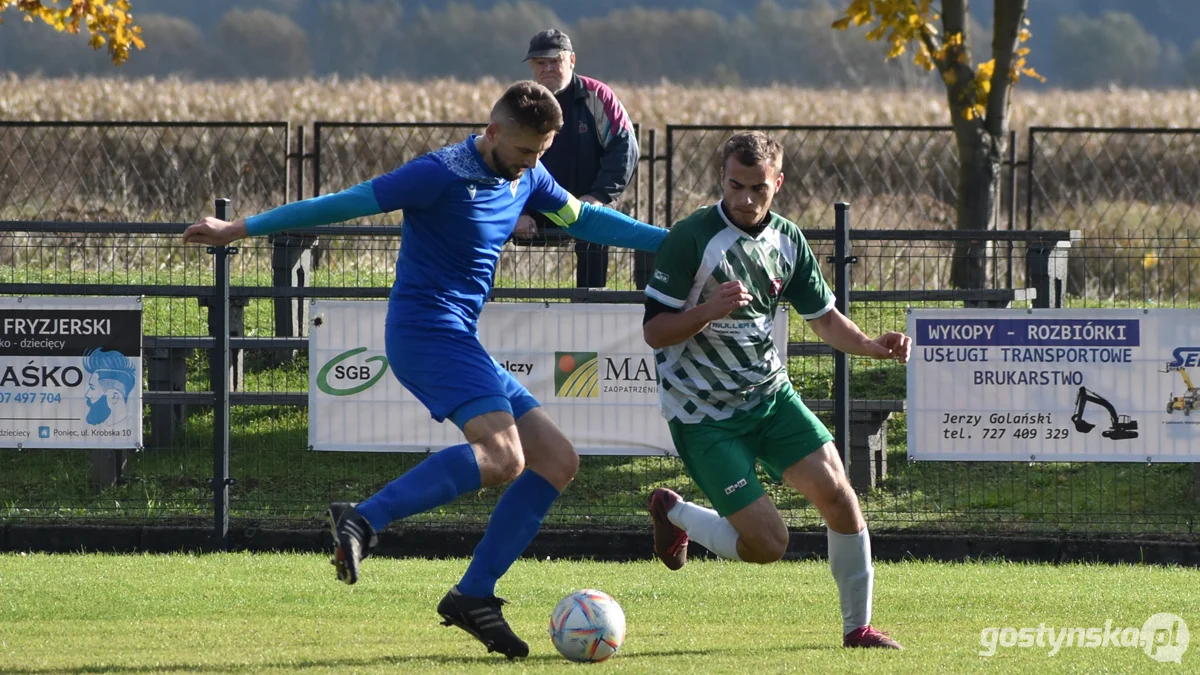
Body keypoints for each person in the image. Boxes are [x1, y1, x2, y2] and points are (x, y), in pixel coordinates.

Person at [182, 81, 668, 660]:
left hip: (459, 337)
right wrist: (238, 229)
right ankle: (363, 520)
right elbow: (341, 203)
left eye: (542, 152)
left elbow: (587, 219)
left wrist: (675, 241)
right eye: (523, 152)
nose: (531, 165)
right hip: (424, 332)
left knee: (557, 461)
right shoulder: (438, 173)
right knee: (505, 458)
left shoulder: (530, 176)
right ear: (491, 133)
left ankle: (473, 595)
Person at [641, 131, 910, 650]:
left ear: (778, 183)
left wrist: (874, 346)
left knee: (840, 496)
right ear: (721, 179)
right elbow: (654, 331)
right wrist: (707, 311)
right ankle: (672, 511)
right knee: (768, 545)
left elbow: (825, 319)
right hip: (704, 415)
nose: (745, 199)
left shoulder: (788, 240)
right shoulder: (692, 237)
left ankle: (859, 628)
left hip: (770, 398)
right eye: (735, 185)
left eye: (757, 188)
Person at [515, 28, 640, 290]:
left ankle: (589, 304)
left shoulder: (598, 97)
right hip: (530, 208)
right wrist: (518, 212)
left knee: (595, 233)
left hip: (584, 204)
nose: (547, 68)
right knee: (485, 225)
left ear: (572, 60)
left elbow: (624, 148)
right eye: (540, 63)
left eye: (555, 61)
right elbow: (500, 161)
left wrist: (597, 198)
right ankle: (484, 304)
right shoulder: (519, 102)